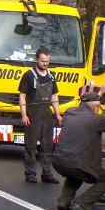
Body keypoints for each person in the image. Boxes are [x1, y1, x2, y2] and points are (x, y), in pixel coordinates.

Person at [52, 85, 105, 210]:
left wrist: (99, 93)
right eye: (98, 107)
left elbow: (90, 101)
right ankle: (82, 204)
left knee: (75, 172)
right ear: (95, 107)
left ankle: (64, 201)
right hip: (78, 164)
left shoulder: (69, 113)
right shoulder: (97, 120)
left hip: (58, 162)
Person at [18, 47, 62, 184]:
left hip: (47, 115)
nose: (45, 64)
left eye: (47, 61)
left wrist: (58, 114)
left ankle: (47, 174)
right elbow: (22, 96)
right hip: (33, 114)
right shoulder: (29, 75)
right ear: (36, 59)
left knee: (48, 146)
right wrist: (24, 115)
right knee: (31, 146)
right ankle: (30, 174)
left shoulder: (51, 76)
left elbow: (54, 96)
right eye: (43, 61)